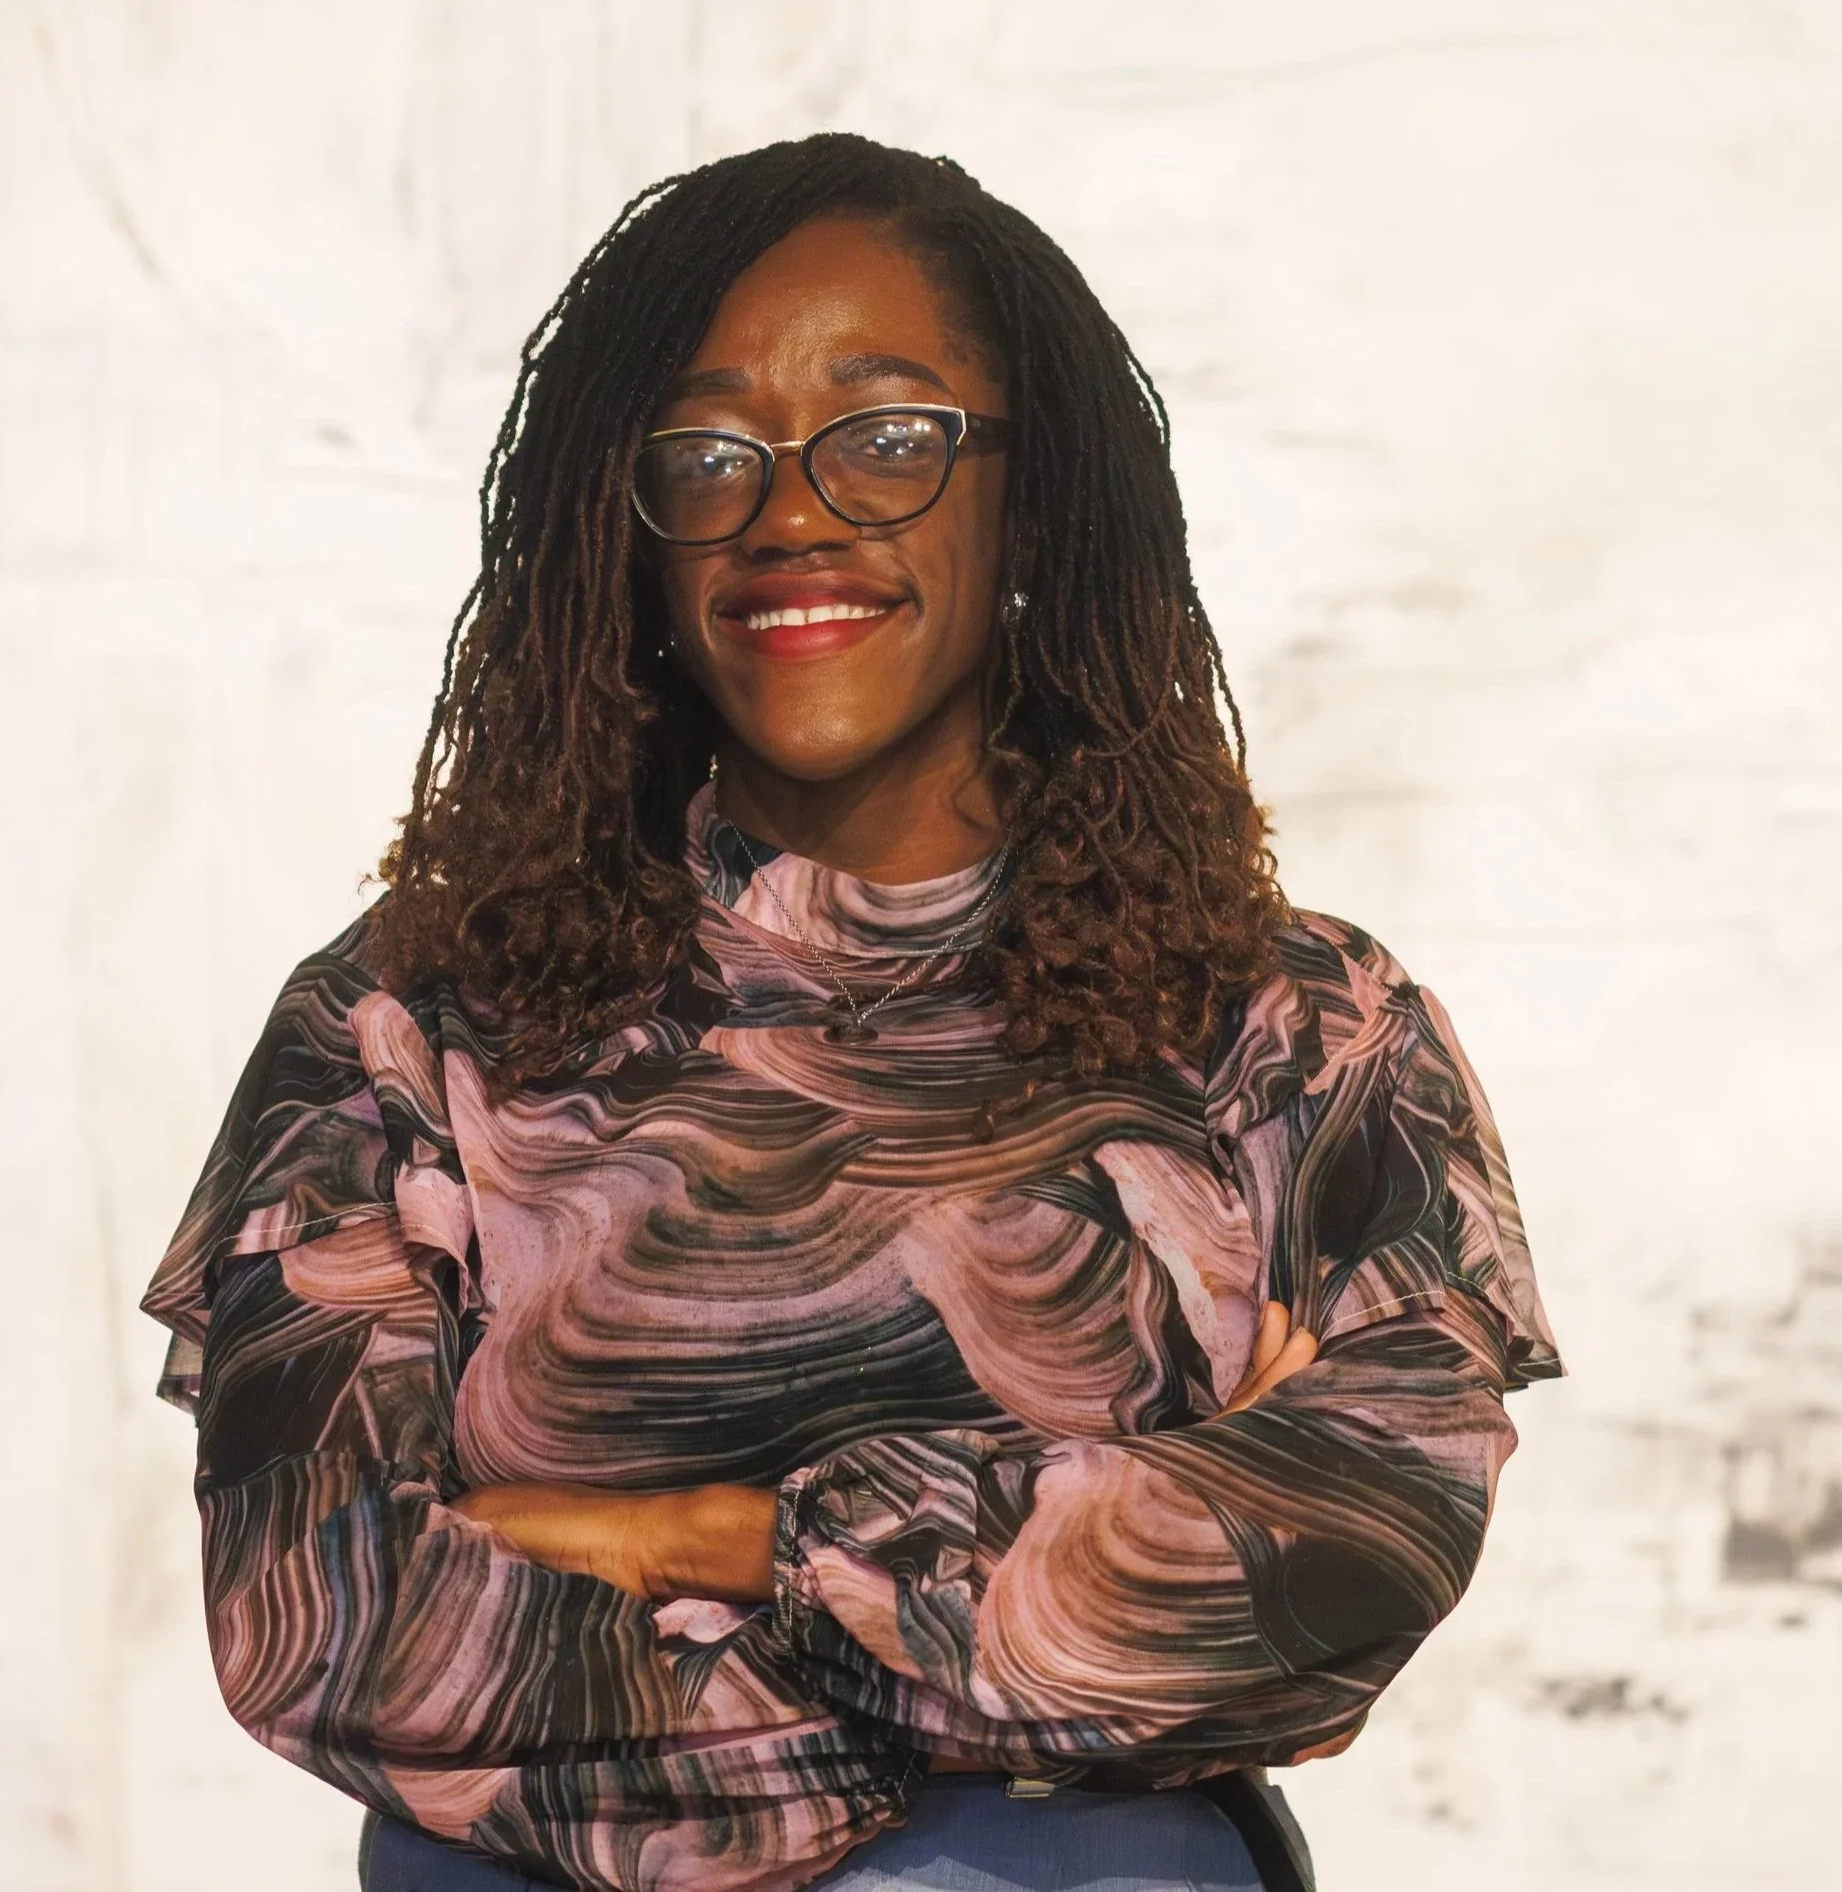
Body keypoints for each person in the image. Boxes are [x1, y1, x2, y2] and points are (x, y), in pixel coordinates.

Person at [142, 134, 1561, 1892]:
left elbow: (1358, 1548)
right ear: (625, 528)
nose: (788, 511)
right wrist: (1090, 1618)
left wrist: (706, 1538)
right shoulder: (403, 1028)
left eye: (888, 437)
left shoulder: (1293, 1034)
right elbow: (317, 1618)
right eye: (707, 454)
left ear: (1028, 498)